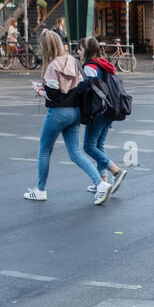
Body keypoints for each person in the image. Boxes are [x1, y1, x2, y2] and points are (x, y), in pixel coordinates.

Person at [26, 29, 113, 206]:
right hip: (75, 113)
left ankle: (40, 190)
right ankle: (101, 184)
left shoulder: (52, 67)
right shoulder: (73, 60)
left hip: (58, 114)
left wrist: (39, 90)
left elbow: (53, 96)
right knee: (76, 153)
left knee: (44, 150)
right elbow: (80, 88)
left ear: (46, 48)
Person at [80, 36, 130, 197]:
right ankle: (102, 182)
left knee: (88, 146)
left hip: (98, 111)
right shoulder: (103, 63)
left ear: (87, 51)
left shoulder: (89, 67)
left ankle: (116, 171)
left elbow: (88, 91)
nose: (78, 52)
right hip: (110, 109)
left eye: (80, 49)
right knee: (99, 146)